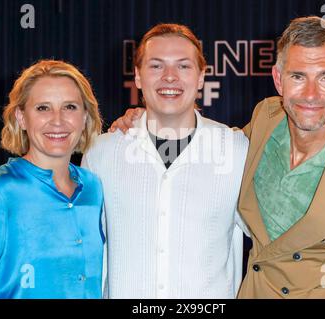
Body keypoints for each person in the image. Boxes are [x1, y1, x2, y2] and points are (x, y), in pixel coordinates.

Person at [112, 17, 325, 298]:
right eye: (298, 76)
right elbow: (204, 145)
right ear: (278, 80)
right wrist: (147, 118)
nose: (311, 94)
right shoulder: (265, 121)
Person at [82, 23, 249, 298]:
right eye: (156, 66)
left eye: (183, 66)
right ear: (137, 76)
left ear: (201, 77)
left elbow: (272, 240)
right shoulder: (101, 153)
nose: (169, 77)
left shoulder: (236, 149)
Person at [0, 60, 105, 298]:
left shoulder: (94, 188)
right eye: (43, 108)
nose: (58, 120)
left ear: (85, 116)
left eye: (70, 107)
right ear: (21, 117)